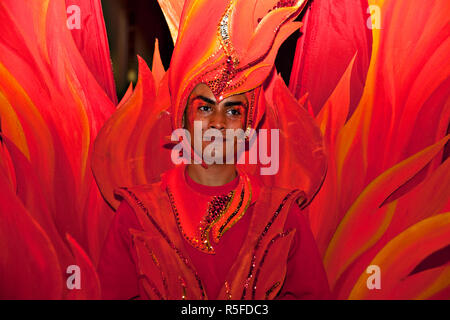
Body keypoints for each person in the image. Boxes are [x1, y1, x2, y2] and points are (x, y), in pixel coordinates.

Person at [98, 0, 330, 300]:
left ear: (250, 125)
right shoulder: (137, 213)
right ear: (183, 116)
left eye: (233, 111)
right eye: (206, 108)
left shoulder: (283, 215)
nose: (218, 123)